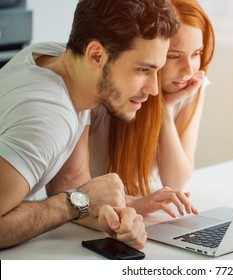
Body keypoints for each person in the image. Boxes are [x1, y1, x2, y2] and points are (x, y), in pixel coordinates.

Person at [0, 0, 180, 250]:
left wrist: (108, 214)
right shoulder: (49, 117)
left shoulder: (52, 57)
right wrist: (77, 203)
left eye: (156, 71)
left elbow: (69, 180)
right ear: (96, 55)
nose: (153, 89)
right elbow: (73, 196)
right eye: (142, 70)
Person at [89, 0, 215, 218]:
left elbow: (177, 180)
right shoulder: (107, 90)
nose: (188, 70)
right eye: (174, 56)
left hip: (143, 215)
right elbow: (73, 186)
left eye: (196, 53)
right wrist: (136, 203)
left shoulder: (191, 87)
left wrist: (165, 110)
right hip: (95, 215)